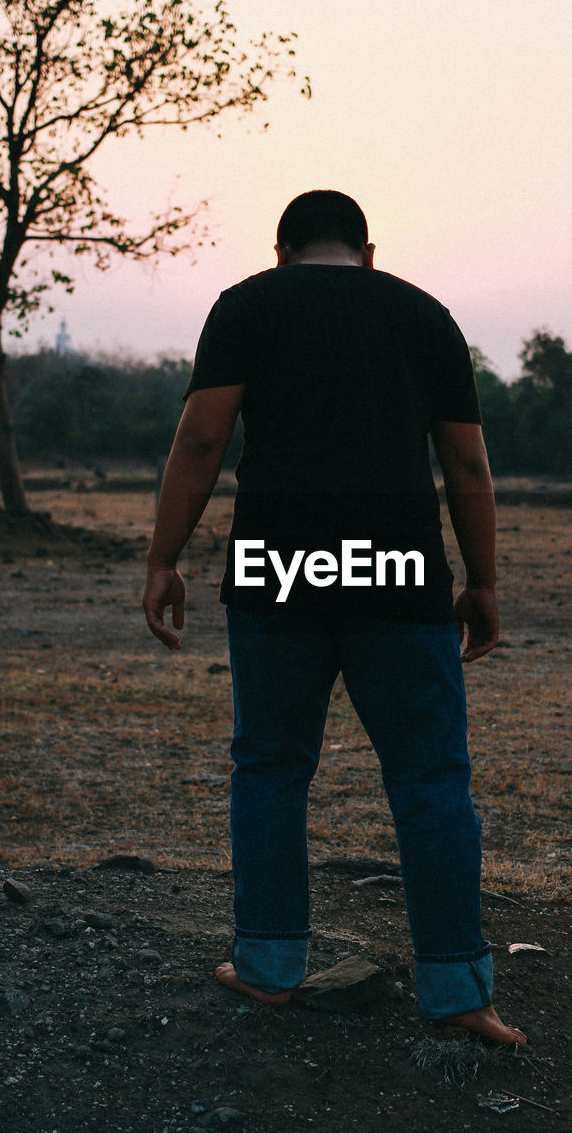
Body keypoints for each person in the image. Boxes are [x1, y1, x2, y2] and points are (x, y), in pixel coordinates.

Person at [143, 190, 526, 1047]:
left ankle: (270, 966)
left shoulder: (247, 304)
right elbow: (465, 461)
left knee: (271, 767)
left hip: (276, 562)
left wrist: (163, 558)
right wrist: (484, 580)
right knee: (429, 779)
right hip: (399, 567)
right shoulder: (424, 314)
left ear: (280, 252)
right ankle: (459, 989)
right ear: (368, 251)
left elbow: (201, 441)